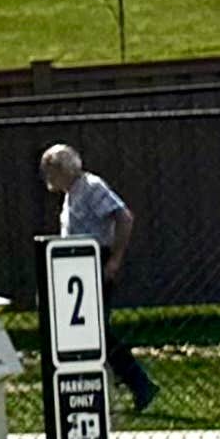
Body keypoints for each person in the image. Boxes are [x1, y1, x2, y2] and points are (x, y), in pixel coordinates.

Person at [38, 142, 154, 415]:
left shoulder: (91, 187)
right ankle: (104, 388)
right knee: (86, 332)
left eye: (51, 170)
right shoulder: (72, 194)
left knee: (97, 332)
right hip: (76, 266)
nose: (48, 177)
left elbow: (123, 217)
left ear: (65, 169)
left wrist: (114, 259)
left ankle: (139, 384)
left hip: (96, 261)